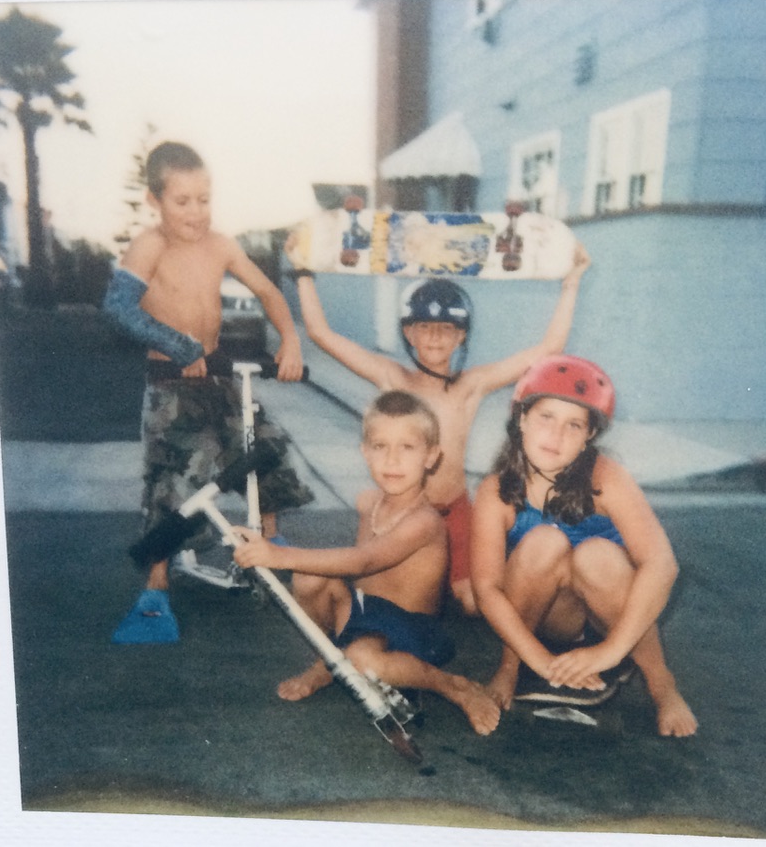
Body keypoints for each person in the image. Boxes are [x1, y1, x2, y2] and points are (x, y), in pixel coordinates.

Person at [291, 240, 591, 616]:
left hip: (454, 511)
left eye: (446, 328)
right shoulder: (393, 378)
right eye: (425, 327)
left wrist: (571, 282)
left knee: (473, 603)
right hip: (405, 512)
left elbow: (550, 348)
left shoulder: (471, 386)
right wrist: (302, 271)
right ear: (409, 333)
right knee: (385, 596)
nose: (435, 337)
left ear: (461, 335)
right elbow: (320, 333)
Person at [105, 141, 313, 644]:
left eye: (204, 199)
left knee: (265, 445)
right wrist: (176, 345)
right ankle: (156, 590)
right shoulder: (150, 245)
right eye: (183, 201)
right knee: (176, 478)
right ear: (155, 200)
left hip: (216, 374)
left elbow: (267, 291)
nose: (196, 212)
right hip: (171, 381)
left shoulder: (220, 244)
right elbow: (119, 306)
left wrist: (290, 339)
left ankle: (271, 544)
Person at [232, 390, 501, 736]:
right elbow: (356, 574)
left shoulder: (424, 521)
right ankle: (328, 661)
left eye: (407, 447)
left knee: (362, 659)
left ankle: (452, 686)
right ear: (365, 452)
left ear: (431, 456)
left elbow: (364, 561)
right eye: (380, 446)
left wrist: (279, 554)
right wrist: (295, 563)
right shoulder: (369, 501)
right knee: (307, 578)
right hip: (365, 614)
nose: (392, 460)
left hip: (411, 630)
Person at [470, 354, 698, 737]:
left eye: (573, 425)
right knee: (543, 541)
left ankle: (661, 683)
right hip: (550, 617)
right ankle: (509, 668)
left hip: (608, 615)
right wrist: (538, 661)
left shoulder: (606, 477)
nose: (556, 435)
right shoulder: (496, 490)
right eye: (546, 417)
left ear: (589, 436)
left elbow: (662, 564)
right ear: (521, 418)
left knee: (597, 555)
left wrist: (609, 651)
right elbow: (486, 588)